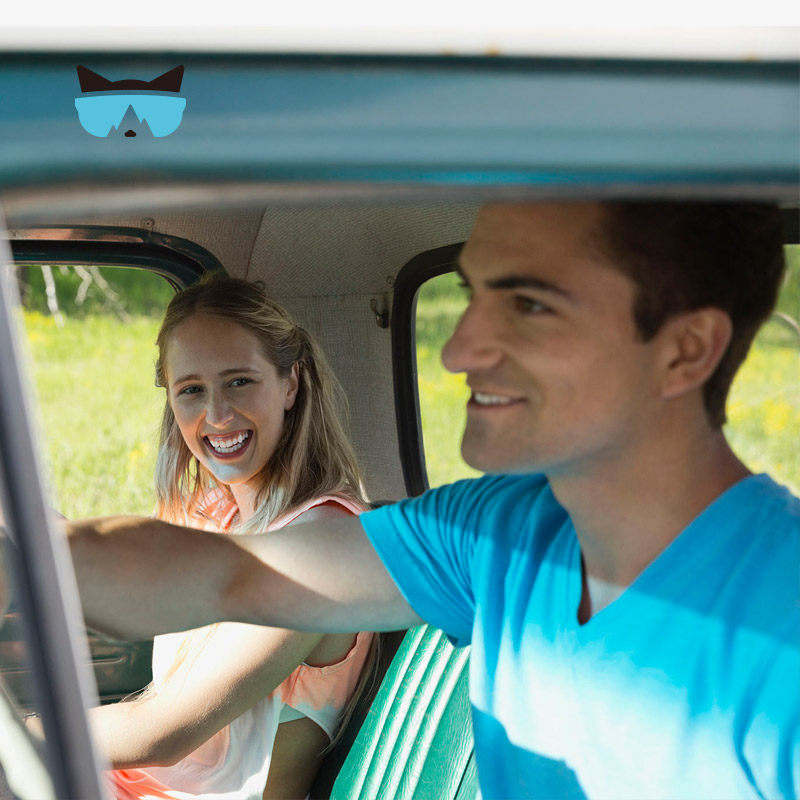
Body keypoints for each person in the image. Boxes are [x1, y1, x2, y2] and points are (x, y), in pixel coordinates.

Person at [48, 203, 800, 797]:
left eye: (529, 305)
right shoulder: (492, 533)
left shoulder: (780, 617)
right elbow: (224, 574)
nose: (458, 349)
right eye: (473, 296)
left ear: (686, 349)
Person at [74, 276, 378, 800]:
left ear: (290, 384)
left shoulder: (323, 544)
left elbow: (164, 732)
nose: (216, 416)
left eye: (239, 381)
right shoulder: (216, 514)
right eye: (192, 390)